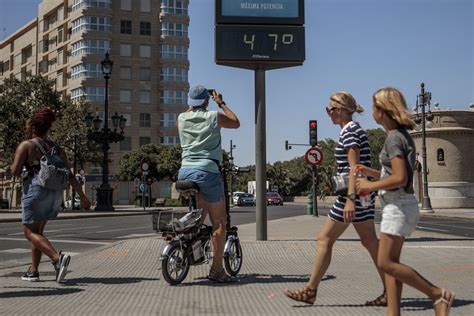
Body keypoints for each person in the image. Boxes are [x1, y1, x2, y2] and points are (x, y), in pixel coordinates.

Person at [355, 87, 455, 316]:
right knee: (393, 266)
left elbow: (399, 178)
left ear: (382, 110)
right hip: (402, 204)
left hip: (397, 205)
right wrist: (370, 172)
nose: (372, 111)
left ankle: (437, 294)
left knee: (385, 263)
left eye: (374, 107)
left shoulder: (393, 139)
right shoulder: (400, 136)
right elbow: (398, 173)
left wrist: (369, 185)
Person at [284, 91, 386, 305]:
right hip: (363, 194)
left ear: (339, 111)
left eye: (329, 110)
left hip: (353, 194)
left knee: (325, 239)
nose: (328, 114)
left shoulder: (349, 133)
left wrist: (350, 199)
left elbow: (354, 168)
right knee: (370, 242)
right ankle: (390, 290)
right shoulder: (355, 130)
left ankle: (311, 290)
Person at [10, 107, 91, 283]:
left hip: (36, 191)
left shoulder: (27, 145)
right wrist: (83, 196)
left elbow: (15, 171)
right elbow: (69, 174)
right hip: (55, 194)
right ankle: (33, 271)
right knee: (38, 232)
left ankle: (57, 258)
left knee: (29, 232)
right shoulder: (57, 148)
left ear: (32, 127)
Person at [177, 85, 240, 283]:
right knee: (220, 222)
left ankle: (187, 239)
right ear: (206, 101)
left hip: (185, 171)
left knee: (200, 214)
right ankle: (217, 270)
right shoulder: (214, 116)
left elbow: (189, 111)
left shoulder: (181, 118)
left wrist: (194, 102)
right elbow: (236, 123)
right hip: (208, 171)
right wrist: (220, 102)